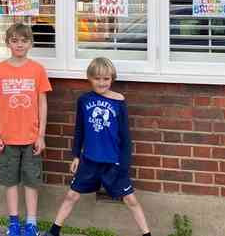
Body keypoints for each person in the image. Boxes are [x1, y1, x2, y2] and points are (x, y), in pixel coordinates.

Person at [48, 57, 151, 236]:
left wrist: (124, 165)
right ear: (89, 78)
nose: (102, 83)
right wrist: (76, 156)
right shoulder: (84, 101)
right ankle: (54, 231)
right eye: (97, 78)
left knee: (130, 199)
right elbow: (79, 129)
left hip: (112, 161)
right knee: (71, 195)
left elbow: (125, 138)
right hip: (89, 160)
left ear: (112, 79)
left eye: (106, 79)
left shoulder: (119, 102)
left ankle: (147, 234)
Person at [0, 23, 52, 236]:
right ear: (7, 44)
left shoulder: (37, 70)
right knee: (10, 181)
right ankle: (13, 222)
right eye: (14, 41)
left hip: (31, 138)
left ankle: (31, 222)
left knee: (32, 182)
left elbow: (42, 103)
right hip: (7, 138)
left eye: (24, 41)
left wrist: (41, 135)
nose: (19, 45)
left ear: (31, 43)